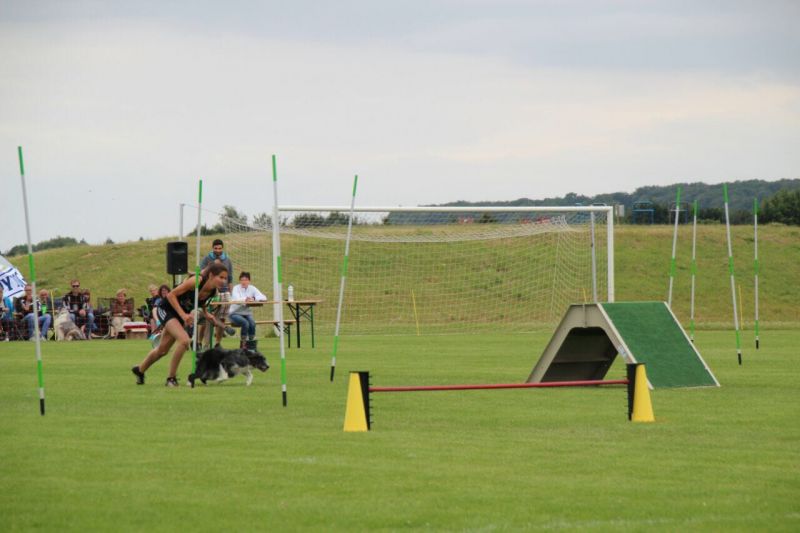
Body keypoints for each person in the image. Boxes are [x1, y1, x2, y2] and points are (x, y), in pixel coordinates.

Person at [131, 263, 229, 387]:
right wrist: (183, 315)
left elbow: (200, 302)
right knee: (184, 341)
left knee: (162, 350)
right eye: (221, 277)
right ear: (211, 275)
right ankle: (171, 378)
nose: (223, 281)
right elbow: (171, 295)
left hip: (179, 315)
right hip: (166, 309)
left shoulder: (213, 292)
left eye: (225, 278)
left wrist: (206, 314)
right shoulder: (196, 281)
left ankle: (139, 370)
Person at [199, 239, 233, 345]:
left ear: (222, 248)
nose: (218, 250)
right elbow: (201, 273)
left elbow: (230, 278)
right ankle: (201, 342)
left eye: (219, 248)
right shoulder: (207, 258)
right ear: (212, 248)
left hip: (224, 291)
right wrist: (213, 265)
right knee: (207, 318)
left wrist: (230, 292)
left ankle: (218, 343)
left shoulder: (227, 260)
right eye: (216, 248)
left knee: (222, 319)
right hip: (211, 291)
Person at [228, 272, 268, 348]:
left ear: (249, 281)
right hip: (234, 313)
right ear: (239, 281)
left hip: (246, 313)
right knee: (245, 323)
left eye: (246, 280)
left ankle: (251, 344)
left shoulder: (252, 288)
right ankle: (243, 344)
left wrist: (254, 298)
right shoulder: (236, 288)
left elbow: (264, 297)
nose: (244, 282)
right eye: (242, 280)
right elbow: (236, 299)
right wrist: (246, 299)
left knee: (252, 323)